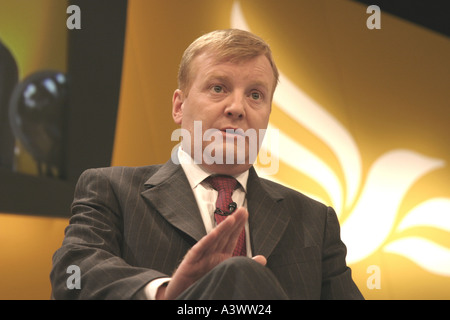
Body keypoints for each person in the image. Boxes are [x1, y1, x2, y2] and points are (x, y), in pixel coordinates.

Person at [50, 29, 363, 300]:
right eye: (218, 88)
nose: (237, 108)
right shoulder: (111, 190)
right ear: (179, 105)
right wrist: (166, 293)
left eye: (255, 95)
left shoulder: (315, 220)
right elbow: (74, 274)